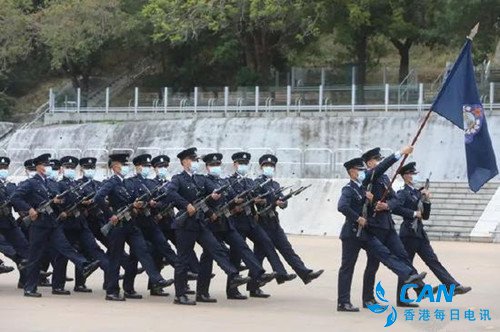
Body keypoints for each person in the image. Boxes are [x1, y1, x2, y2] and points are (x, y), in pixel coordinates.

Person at [165, 147, 251, 305]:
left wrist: (214, 196)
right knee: (183, 260)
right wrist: (186, 205)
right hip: (185, 225)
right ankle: (180, 294)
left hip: (199, 222)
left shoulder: (200, 179)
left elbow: (210, 196)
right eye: (192, 159)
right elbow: (170, 192)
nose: (195, 162)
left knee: (216, 248)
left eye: (196, 160)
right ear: (184, 162)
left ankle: (233, 274)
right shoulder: (178, 179)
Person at [11, 153, 100, 298]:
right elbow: (15, 197)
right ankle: (30, 288)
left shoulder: (47, 183)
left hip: (52, 222)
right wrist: (30, 209)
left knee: (65, 247)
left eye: (48, 165)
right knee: (35, 256)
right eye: (45, 165)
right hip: (39, 224)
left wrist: (56, 201)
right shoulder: (31, 183)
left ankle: (84, 264)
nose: (48, 167)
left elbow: (53, 198)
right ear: (38, 167)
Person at [93, 153, 171, 301]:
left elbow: (134, 200)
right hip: (118, 226)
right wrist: (110, 214)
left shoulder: (127, 183)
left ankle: (156, 279)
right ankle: (112, 291)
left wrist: (137, 206)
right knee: (115, 258)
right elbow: (98, 198)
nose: (126, 167)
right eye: (124, 164)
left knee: (143, 251)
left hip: (131, 224)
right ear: (115, 167)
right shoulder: (112, 182)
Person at [201, 152, 276, 302]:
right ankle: (202, 292)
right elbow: (200, 202)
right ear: (207, 167)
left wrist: (236, 202)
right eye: (212, 165)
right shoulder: (203, 181)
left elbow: (229, 200)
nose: (215, 167)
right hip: (211, 224)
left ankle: (257, 274)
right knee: (208, 257)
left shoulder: (223, 182)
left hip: (226, 223)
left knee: (241, 247)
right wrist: (210, 212)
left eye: (217, 165)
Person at [394, 162, 471, 306]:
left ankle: (452, 286)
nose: (412, 176)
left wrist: (427, 200)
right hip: (408, 234)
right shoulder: (402, 192)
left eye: (413, 174)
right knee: (406, 266)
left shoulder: (417, 192)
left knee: (433, 261)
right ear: (404, 176)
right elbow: (396, 208)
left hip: (420, 234)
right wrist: (413, 213)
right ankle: (402, 298)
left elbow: (425, 216)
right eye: (410, 174)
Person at [226, 152, 296, 299]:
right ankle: (232, 289)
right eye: (240, 163)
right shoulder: (229, 182)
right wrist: (234, 205)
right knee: (237, 255)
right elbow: (227, 201)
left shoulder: (250, 182)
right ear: (234, 165)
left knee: (266, 243)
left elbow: (255, 198)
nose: (243, 166)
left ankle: (274, 274)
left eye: (245, 163)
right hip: (237, 222)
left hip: (251, 221)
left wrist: (260, 201)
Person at [252, 154, 324, 297]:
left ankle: (305, 273)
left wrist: (282, 203)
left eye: (271, 166)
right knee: (260, 255)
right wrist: (269, 202)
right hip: (261, 222)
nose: (269, 168)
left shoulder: (275, 185)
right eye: (266, 165)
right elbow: (255, 200)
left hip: (274, 222)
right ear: (261, 167)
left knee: (287, 249)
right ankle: (254, 286)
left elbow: (283, 202)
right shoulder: (257, 183)